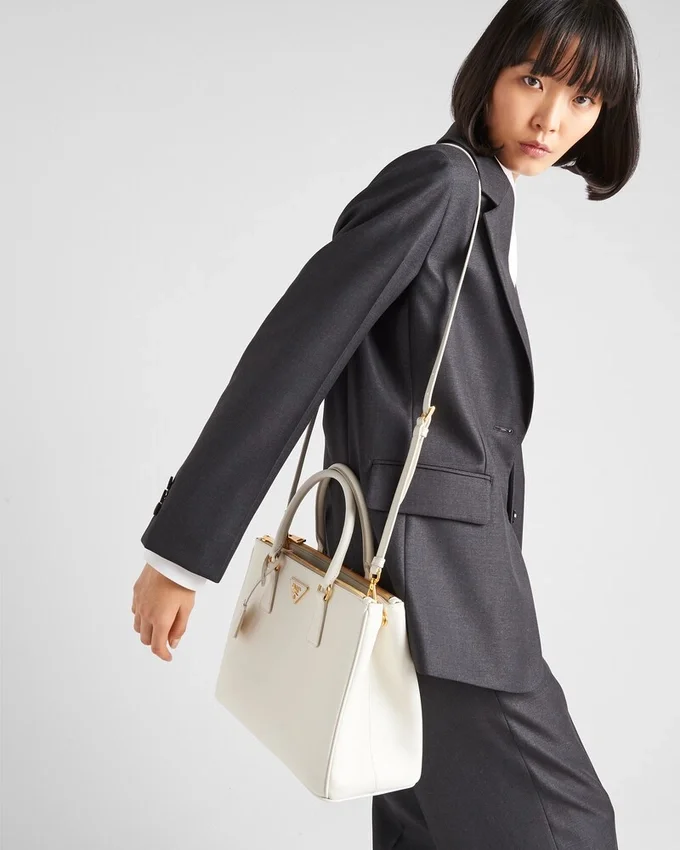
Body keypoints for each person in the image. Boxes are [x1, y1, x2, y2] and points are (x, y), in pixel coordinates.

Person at [131, 0, 641, 846]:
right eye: (534, 80)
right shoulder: (443, 185)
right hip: (438, 592)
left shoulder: (489, 202)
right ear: (491, 73)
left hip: (433, 586)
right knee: (571, 829)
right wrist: (181, 554)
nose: (552, 119)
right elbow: (296, 353)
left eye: (584, 99)